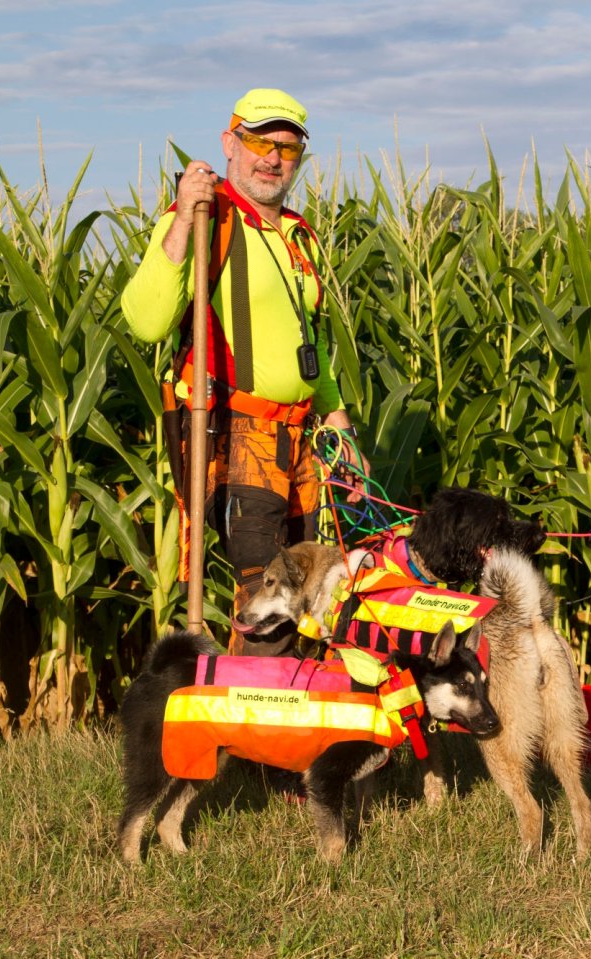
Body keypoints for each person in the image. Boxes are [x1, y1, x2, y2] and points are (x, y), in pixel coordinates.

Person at [123, 88, 365, 654]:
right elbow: (145, 320)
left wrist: (340, 424)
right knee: (266, 593)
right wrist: (184, 214)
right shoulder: (209, 218)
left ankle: (296, 733)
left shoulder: (295, 235)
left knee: (313, 592)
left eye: (287, 147)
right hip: (238, 436)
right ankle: (246, 739)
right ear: (230, 143)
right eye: (258, 141)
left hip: (303, 439)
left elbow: (316, 347)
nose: (271, 157)